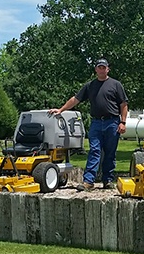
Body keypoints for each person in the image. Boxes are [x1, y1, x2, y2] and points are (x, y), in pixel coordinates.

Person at [48, 59, 128, 191]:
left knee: (110, 152)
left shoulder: (116, 84)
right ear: (96, 70)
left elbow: (123, 104)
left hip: (112, 122)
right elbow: (76, 99)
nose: (101, 70)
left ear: (108, 69)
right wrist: (61, 109)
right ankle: (88, 181)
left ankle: (107, 180)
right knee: (94, 150)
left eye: (104, 67)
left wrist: (123, 122)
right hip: (96, 122)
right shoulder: (90, 85)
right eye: (99, 67)